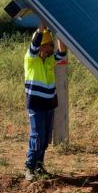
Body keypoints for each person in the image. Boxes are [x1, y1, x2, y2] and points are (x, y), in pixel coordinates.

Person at [24, 23, 66, 181]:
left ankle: (39, 165)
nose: (49, 49)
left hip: (49, 104)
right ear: (40, 46)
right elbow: (34, 45)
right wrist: (41, 29)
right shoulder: (31, 59)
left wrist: (60, 33)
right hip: (36, 104)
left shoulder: (49, 60)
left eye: (50, 45)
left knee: (46, 136)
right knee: (37, 136)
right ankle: (29, 166)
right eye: (47, 46)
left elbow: (62, 52)